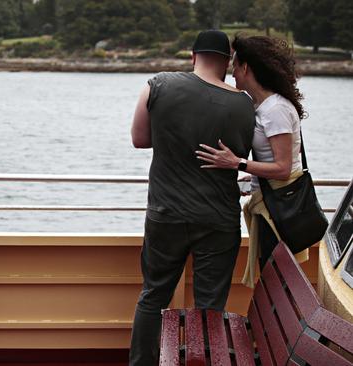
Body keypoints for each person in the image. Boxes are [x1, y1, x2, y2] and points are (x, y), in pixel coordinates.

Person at [128, 30, 255, 366]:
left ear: (192, 56)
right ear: (228, 62)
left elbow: (140, 139)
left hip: (166, 213)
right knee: (210, 307)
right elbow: (244, 153)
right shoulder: (244, 103)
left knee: (153, 296)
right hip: (218, 218)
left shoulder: (158, 84)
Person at [196, 35, 309, 287]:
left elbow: (281, 169)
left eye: (234, 66)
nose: (231, 72)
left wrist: (237, 163)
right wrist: (253, 174)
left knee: (275, 282)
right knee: (272, 281)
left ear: (246, 67)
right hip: (269, 204)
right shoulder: (265, 106)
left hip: (277, 211)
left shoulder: (275, 109)